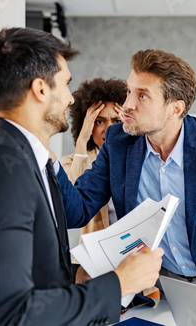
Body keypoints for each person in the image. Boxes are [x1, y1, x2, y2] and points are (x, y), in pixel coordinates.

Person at [0, 27, 163, 326]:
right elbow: (6, 314)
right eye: (65, 85)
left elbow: (29, 269)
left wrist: (77, 275)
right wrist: (118, 284)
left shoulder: (28, 160)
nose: (71, 99)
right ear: (40, 89)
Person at [56, 49, 196, 301]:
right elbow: (78, 211)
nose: (128, 104)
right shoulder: (118, 142)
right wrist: (46, 153)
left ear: (175, 108)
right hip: (164, 289)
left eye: (142, 95)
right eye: (130, 91)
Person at [61, 78, 126, 283]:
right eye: (100, 121)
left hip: (132, 258)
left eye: (116, 121)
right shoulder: (71, 162)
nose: (109, 129)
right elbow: (72, 202)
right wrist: (81, 142)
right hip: (92, 266)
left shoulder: (135, 160)